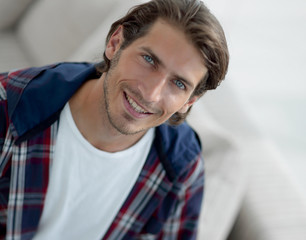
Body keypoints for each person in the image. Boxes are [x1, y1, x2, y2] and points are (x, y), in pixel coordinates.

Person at [0, 0, 229, 239]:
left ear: (189, 102)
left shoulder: (180, 166)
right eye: (149, 60)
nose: (151, 94)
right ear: (115, 43)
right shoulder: (8, 106)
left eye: (178, 83)